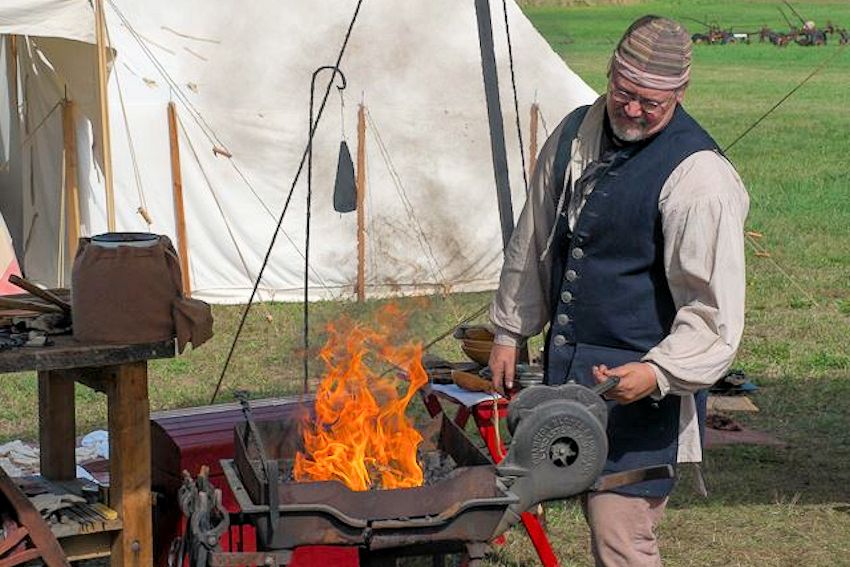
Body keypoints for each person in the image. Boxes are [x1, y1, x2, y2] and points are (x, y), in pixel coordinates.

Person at [488, 15, 749, 567]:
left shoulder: (700, 177)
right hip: (572, 375)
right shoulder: (574, 133)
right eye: (624, 93)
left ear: (681, 93)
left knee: (621, 537)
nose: (632, 110)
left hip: (643, 394)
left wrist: (657, 372)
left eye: (650, 103)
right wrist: (509, 330)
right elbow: (533, 236)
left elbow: (713, 313)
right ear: (609, 72)